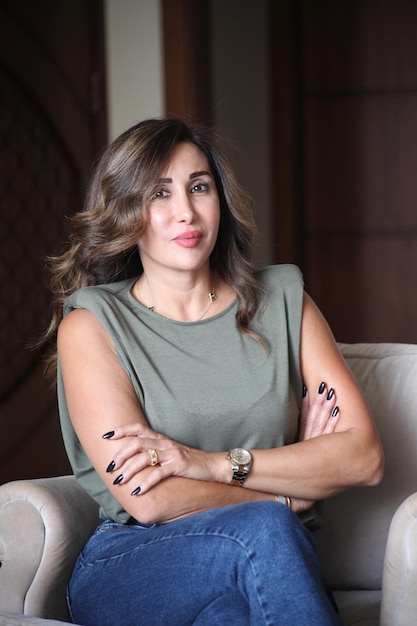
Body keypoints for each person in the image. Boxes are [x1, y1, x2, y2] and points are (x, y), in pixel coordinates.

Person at [44, 117, 384, 626]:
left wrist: (213, 465)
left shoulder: (285, 301)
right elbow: (149, 499)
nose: (186, 212)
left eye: (198, 187)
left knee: (232, 612)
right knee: (266, 530)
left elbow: (364, 458)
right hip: (137, 562)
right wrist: (287, 494)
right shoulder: (93, 323)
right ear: (126, 211)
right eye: (159, 193)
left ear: (219, 200)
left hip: (273, 563)